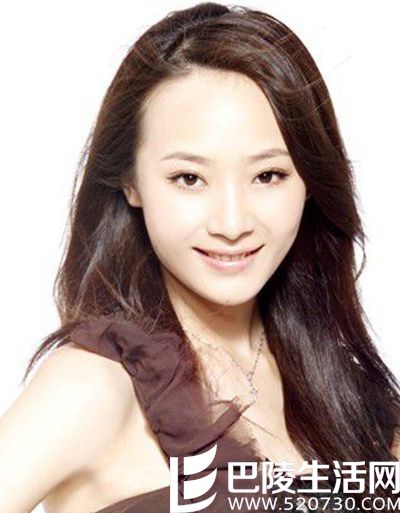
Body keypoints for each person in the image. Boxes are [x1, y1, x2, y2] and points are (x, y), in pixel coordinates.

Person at [0, 2, 399, 513]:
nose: (231, 224)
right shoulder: (92, 387)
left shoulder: (352, 396)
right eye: (189, 178)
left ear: (310, 183)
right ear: (131, 182)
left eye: (268, 176)